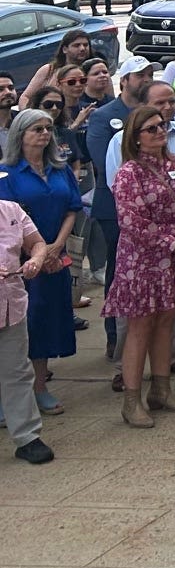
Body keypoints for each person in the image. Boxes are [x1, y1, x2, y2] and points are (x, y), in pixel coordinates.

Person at [103, 104, 175, 427]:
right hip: (142, 261)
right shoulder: (129, 173)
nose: (160, 131)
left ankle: (161, 389)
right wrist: (174, 243)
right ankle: (131, 400)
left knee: (167, 322)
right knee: (140, 327)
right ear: (135, 137)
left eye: (161, 126)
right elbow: (132, 220)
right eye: (151, 128)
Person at [0, 109, 83, 417]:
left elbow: (73, 208)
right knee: (23, 325)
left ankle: (39, 386)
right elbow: (7, 222)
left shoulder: (59, 170)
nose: (45, 134)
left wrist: (56, 246)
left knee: (48, 322)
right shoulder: (7, 174)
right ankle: (8, 394)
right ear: (21, 134)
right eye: (37, 129)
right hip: (21, 263)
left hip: (55, 256)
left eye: (48, 128)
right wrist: (36, 252)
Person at [85, 55, 159, 363]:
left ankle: (154, 328)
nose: (144, 79)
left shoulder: (152, 115)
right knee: (120, 272)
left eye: (148, 74)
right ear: (125, 80)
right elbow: (104, 162)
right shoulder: (105, 116)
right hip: (115, 206)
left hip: (153, 206)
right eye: (138, 75)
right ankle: (116, 335)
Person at [0, 191, 56, 462]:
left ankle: (27, 438)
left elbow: (37, 243)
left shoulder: (11, 210)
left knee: (18, 372)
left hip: (11, 305)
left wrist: (36, 259)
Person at [28, 29, 95, 95]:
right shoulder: (49, 70)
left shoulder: (96, 71)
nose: (82, 48)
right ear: (65, 49)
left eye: (85, 45)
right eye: (76, 45)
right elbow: (26, 97)